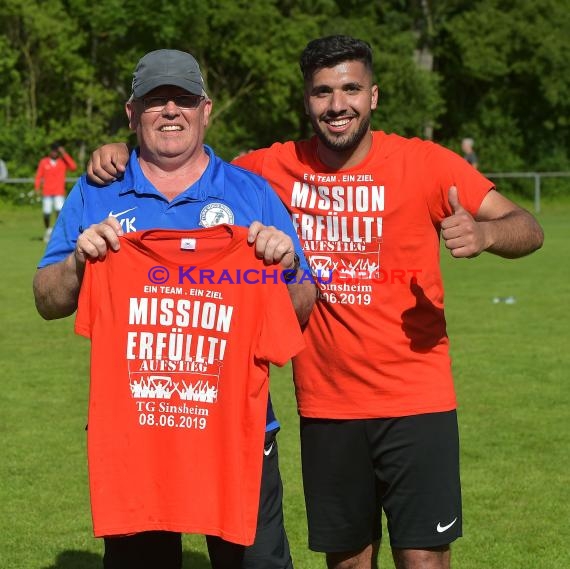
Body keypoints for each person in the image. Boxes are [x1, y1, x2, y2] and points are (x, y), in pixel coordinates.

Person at [87, 36, 544, 569]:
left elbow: (527, 227)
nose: (337, 104)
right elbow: (187, 161)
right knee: (348, 562)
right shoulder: (268, 169)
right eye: (322, 92)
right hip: (326, 406)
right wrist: (126, 153)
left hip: (417, 401)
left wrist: (486, 237)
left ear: (373, 96)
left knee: (423, 559)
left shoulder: (426, 164)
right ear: (307, 101)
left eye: (350, 89)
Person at [33, 48, 315, 569]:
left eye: (183, 99)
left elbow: (297, 312)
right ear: (132, 112)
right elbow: (46, 299)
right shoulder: (98, 191)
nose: (170, 110)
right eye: (155, 100)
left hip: (237, 435)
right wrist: (79, 262)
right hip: (138, 433)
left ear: (205, 109)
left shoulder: (251, 193)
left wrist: (287, 268)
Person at [34, 142, 77, 241]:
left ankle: (58, 231)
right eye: (53, 151)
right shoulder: (44, 162)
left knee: (59, 211)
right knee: (46, 212)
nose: (54, 153)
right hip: (47, 192)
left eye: (56, 151)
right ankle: (48, 230)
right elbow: (38, 175)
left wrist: (64, 153)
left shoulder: (62, 162)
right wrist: (37, 187)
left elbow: (73, 167)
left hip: (59, 192)